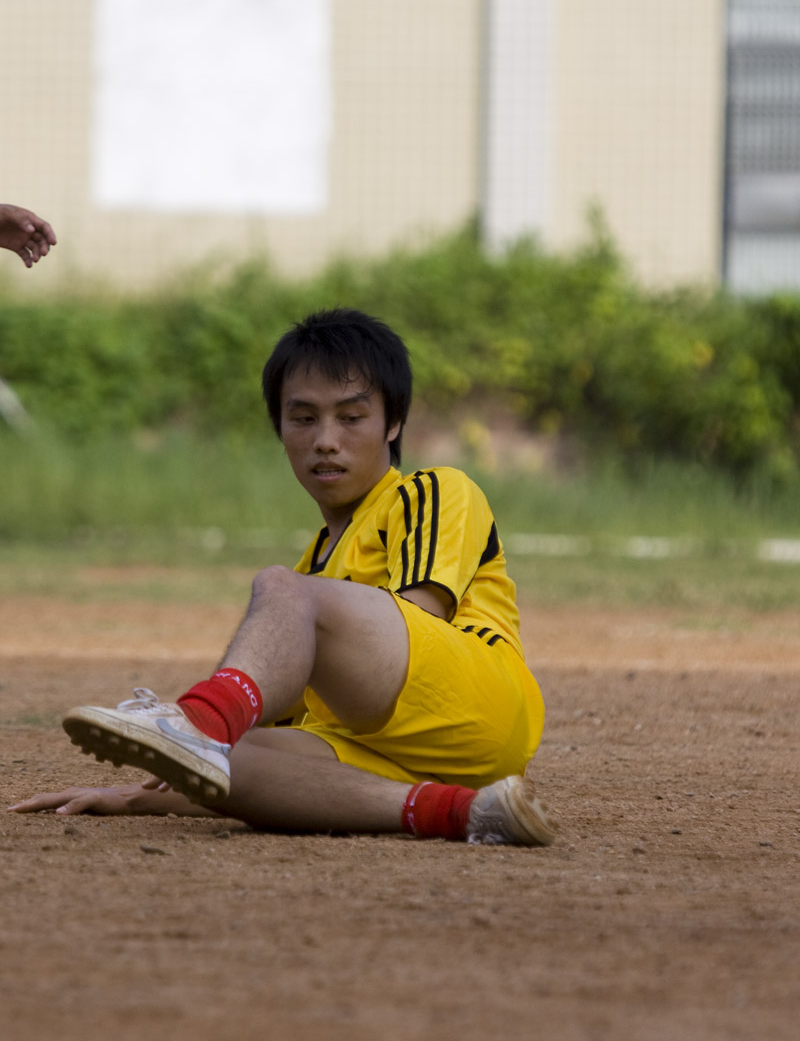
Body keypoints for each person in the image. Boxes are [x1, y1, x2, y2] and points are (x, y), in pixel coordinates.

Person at [10, 309, 555, 845]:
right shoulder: (313, 570)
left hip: (477, 710)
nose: (325, 440)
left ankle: (198, 721)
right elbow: (282, 738)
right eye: (303, 419)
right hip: (398, 751)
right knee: (233, 757)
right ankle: (461, 812)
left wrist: (207, 721)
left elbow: (418, 618)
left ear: (393, 423)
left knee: (279, 596)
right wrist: (136, 796)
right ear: (281, 429)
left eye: (351, 417)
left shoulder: (429, 491)